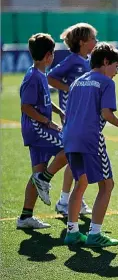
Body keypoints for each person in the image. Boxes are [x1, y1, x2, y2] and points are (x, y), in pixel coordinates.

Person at [63, 42, 118, 246]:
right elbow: (106, 113)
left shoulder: (77, 82)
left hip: (69, 137)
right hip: (90, 138)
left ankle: (72, 232)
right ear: (106, 61)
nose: (116, 73)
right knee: (107, 185)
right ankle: (94, 234)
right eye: (116, 67)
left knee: (80, 183)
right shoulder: (106, 82)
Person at [17, 33, 68, 229]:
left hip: (38, 129)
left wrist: (59, 111)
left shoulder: (40, 74)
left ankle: (25, 217)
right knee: (69, 148)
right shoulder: (32, 77)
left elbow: (44, 100)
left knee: (36, 173)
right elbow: (26, 107)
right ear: (49, 55)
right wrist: (49, 122)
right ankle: (45, 179)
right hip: (37, 129)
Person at [48, 22, 97, 216]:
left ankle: (67, 199)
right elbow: (50, 77)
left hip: (84, 116)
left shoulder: (88, 60)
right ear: (82, 41)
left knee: (75, 159)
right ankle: (66, 199)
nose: (96, 41)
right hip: (73, 116)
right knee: (75, 158)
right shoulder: (73, 60)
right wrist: (69, 89)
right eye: (93, 38)